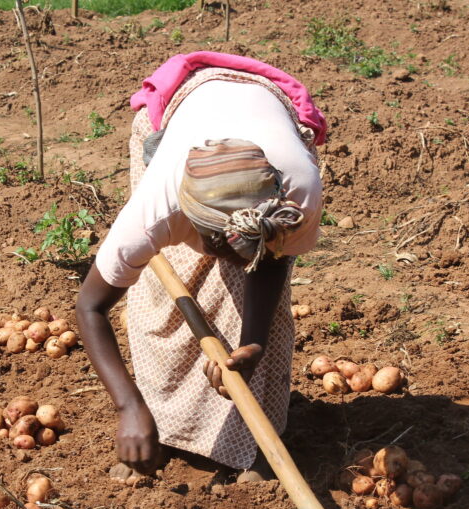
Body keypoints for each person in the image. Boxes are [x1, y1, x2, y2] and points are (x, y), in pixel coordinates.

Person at [75, 52, 326, 482]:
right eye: (225, 245)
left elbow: (273, 262)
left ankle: (259, 444)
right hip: (178, 111)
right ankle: (156, 424)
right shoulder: (154, 212)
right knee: (159, 301)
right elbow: (90, 307)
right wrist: (127, 406)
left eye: (250, 244)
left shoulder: (298, 193)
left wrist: (254, 345)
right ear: (191, 226)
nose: (237, 256)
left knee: (261, 310)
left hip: (266, 110)